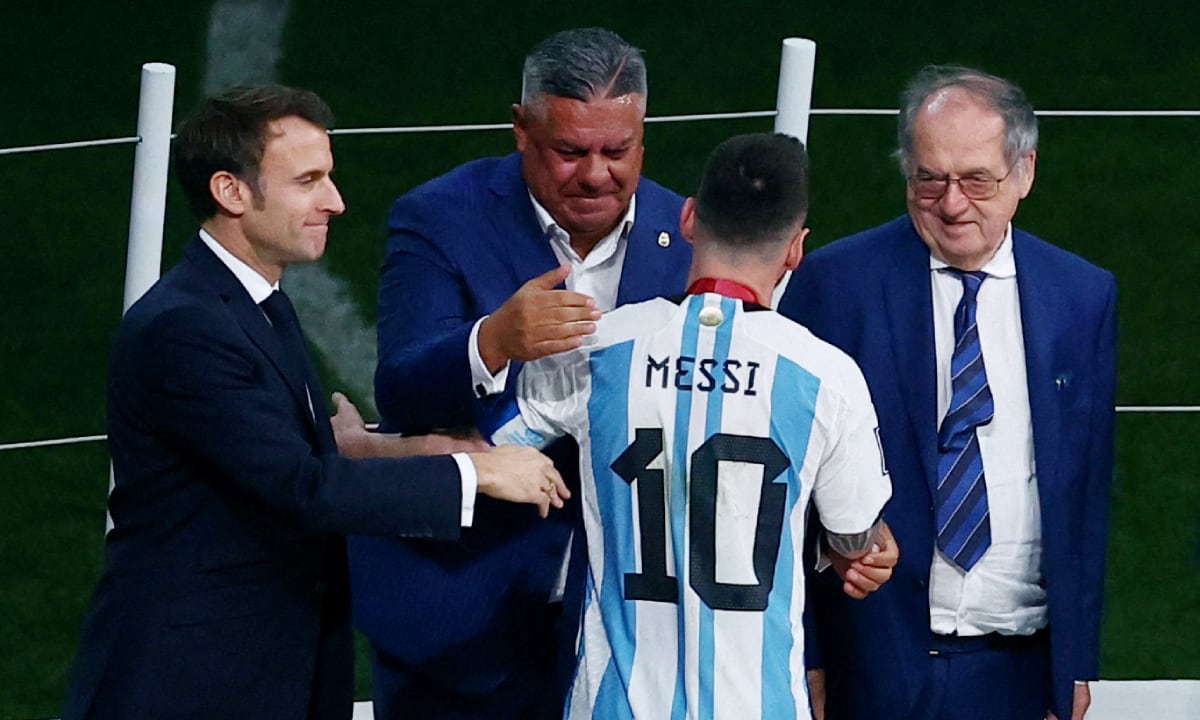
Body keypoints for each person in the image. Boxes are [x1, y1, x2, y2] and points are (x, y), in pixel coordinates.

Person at [61, 85, 566, 720]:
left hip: (255, 671)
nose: (336, 201)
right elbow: (305, 489)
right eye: (309, 180)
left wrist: (389, 448)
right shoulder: (185, 329)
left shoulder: (255, 305)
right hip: (186, 683)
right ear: (231, 192)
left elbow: (263, 458)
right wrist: (479, 472)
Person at [479, 132, 895, 719]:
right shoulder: (825, 376)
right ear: (797, 249)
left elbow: (488, 454)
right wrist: (860, 545)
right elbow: (855, 537)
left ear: (691, 217)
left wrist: (369, 448)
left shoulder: (599, 348)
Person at [348, 27, 692, 719]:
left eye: (616, 151)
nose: (596, 174)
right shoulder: (440, 217)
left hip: (631, 627)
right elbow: (403, 389)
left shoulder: (686, 232)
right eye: (570, 152)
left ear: (642, 133)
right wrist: (493, 340)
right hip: (461, 620)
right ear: (521, 129)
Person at [778, 65, 1117, 720]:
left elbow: (1086, 492)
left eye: (977, 180)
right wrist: (808, 656)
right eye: (930, 179)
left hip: (1018, 668)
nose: (953, 203)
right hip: (872, 663)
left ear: (1025, 173)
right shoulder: (834, 285)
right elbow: (789, 484)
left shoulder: (1083, 297)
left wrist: (1074, 664)